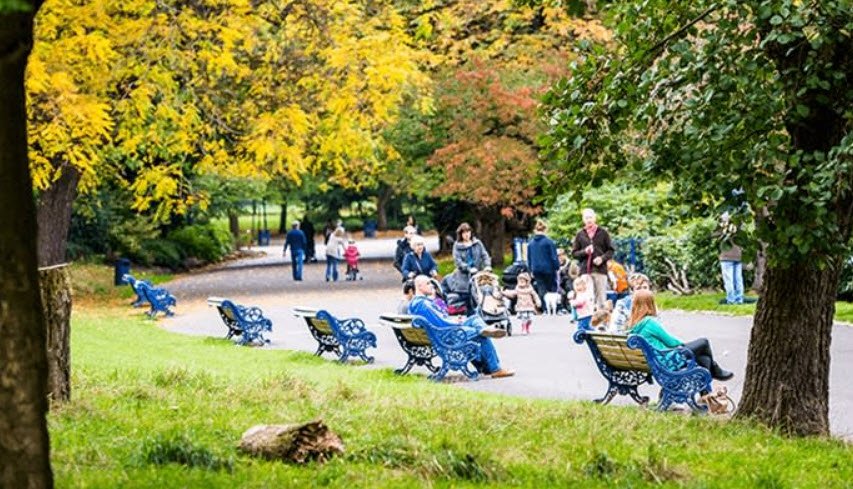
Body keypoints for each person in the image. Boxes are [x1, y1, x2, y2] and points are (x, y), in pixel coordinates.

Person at [408, 275, 514, 378]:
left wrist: (454, 320)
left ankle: (485, 331)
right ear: (420, 286)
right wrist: (456, 323)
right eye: (428, 283)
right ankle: (495, 369)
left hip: (441, 333)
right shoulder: (423, 304)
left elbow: (437, 321)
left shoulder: (416, 303)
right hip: (447, 335)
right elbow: (440, 323)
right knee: (479, 334)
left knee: (474, 319)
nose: (432, 285)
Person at [628, 289, 734, 382]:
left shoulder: (634, 324)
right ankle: (715, 370)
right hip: (668, 360)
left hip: (655, 361)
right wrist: (682, 344)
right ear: (650, 303)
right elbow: (670, 342)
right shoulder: (649, 322)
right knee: (703, 342)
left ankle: (705, 393)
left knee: (704, 358)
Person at [571, 208, 615, 310]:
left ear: (595, 218)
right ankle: (588, 320)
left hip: (600, 270)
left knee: (601, 298)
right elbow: (574, 253)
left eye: (590, 217)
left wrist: (602, 258)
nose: (589, 220)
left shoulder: (603, 232)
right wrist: (584, 251)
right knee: (587, 297)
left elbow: (611, 250)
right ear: (583, 220)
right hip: (585, 270)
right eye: (586, 217)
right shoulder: (580, 234)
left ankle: (601, 322)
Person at [447, 222, 492, 312]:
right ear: (461, 234)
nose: (467, 234)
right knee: (468, 300)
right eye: (464, 233)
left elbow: (484, 255)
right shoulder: (457, 246)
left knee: (480, 296)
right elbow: (458, 261)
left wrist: (487, 266)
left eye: (468, 232)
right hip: (464, 278)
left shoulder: (477, 243)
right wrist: (468, 268)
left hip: (477, 274)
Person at [527, 219, 560, 303]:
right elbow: (554, 257)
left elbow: (529, 258)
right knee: (551, 287)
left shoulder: (530, 244)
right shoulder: (549, 242)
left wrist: (530, 270)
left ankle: (544, 307)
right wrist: (557, 267)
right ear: (545, 230)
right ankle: (553, 306)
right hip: (548, 268)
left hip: (536, 269)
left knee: (541, 288)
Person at [717, 211, 744, 305]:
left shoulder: (723, 228)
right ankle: (739, 299)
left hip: (726, 257)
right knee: (738, 279)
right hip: (738, 256)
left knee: (729, 280)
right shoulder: (739, 227)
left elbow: (714, 236)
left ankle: (731, 300)